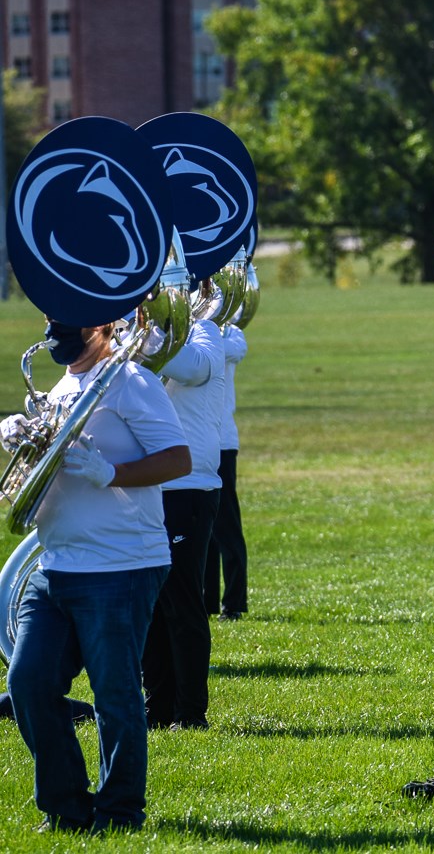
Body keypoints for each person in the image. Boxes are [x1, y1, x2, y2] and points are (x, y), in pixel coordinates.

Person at [4, 319, 190, 834]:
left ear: (104, 324)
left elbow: (178, 458)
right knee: (28, 682)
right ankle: (65, 807)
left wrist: (112, 473)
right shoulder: (61, 386)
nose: (55, 327)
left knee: (115, 696)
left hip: (120, 564)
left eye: (70, 318)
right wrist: (21, 437)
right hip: (55, 562)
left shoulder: (131, 380)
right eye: (51, 318)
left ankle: (120, 811)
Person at [143, 284, 228, 729]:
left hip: (189, 487)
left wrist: (139, 337)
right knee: (153, 604)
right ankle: (157, 709)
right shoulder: (156, 340)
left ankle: (191, 713)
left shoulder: (206, 333)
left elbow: (188, 367)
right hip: (152, 487)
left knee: (181, 601)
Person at [205, 318, 249, 619]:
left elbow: (237, 349)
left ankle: (233, 603)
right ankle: (205, 601)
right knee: (200, 527)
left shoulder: (228, 331)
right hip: (193, 443)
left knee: (226, 524)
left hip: (221, 441)